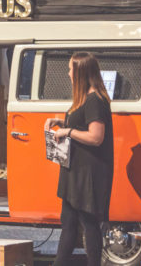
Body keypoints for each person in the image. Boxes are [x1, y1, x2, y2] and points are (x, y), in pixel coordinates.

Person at [44, 52, 114, 266]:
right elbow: (81, 123)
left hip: (88, 172)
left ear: (81, 72)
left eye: (70, 69)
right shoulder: (85, 98)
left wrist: (68, 131)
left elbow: (96, 137)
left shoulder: (95, 100)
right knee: (69, 222)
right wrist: (60, 120)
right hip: (74, 170)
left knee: (88, 222)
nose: (68, 74)